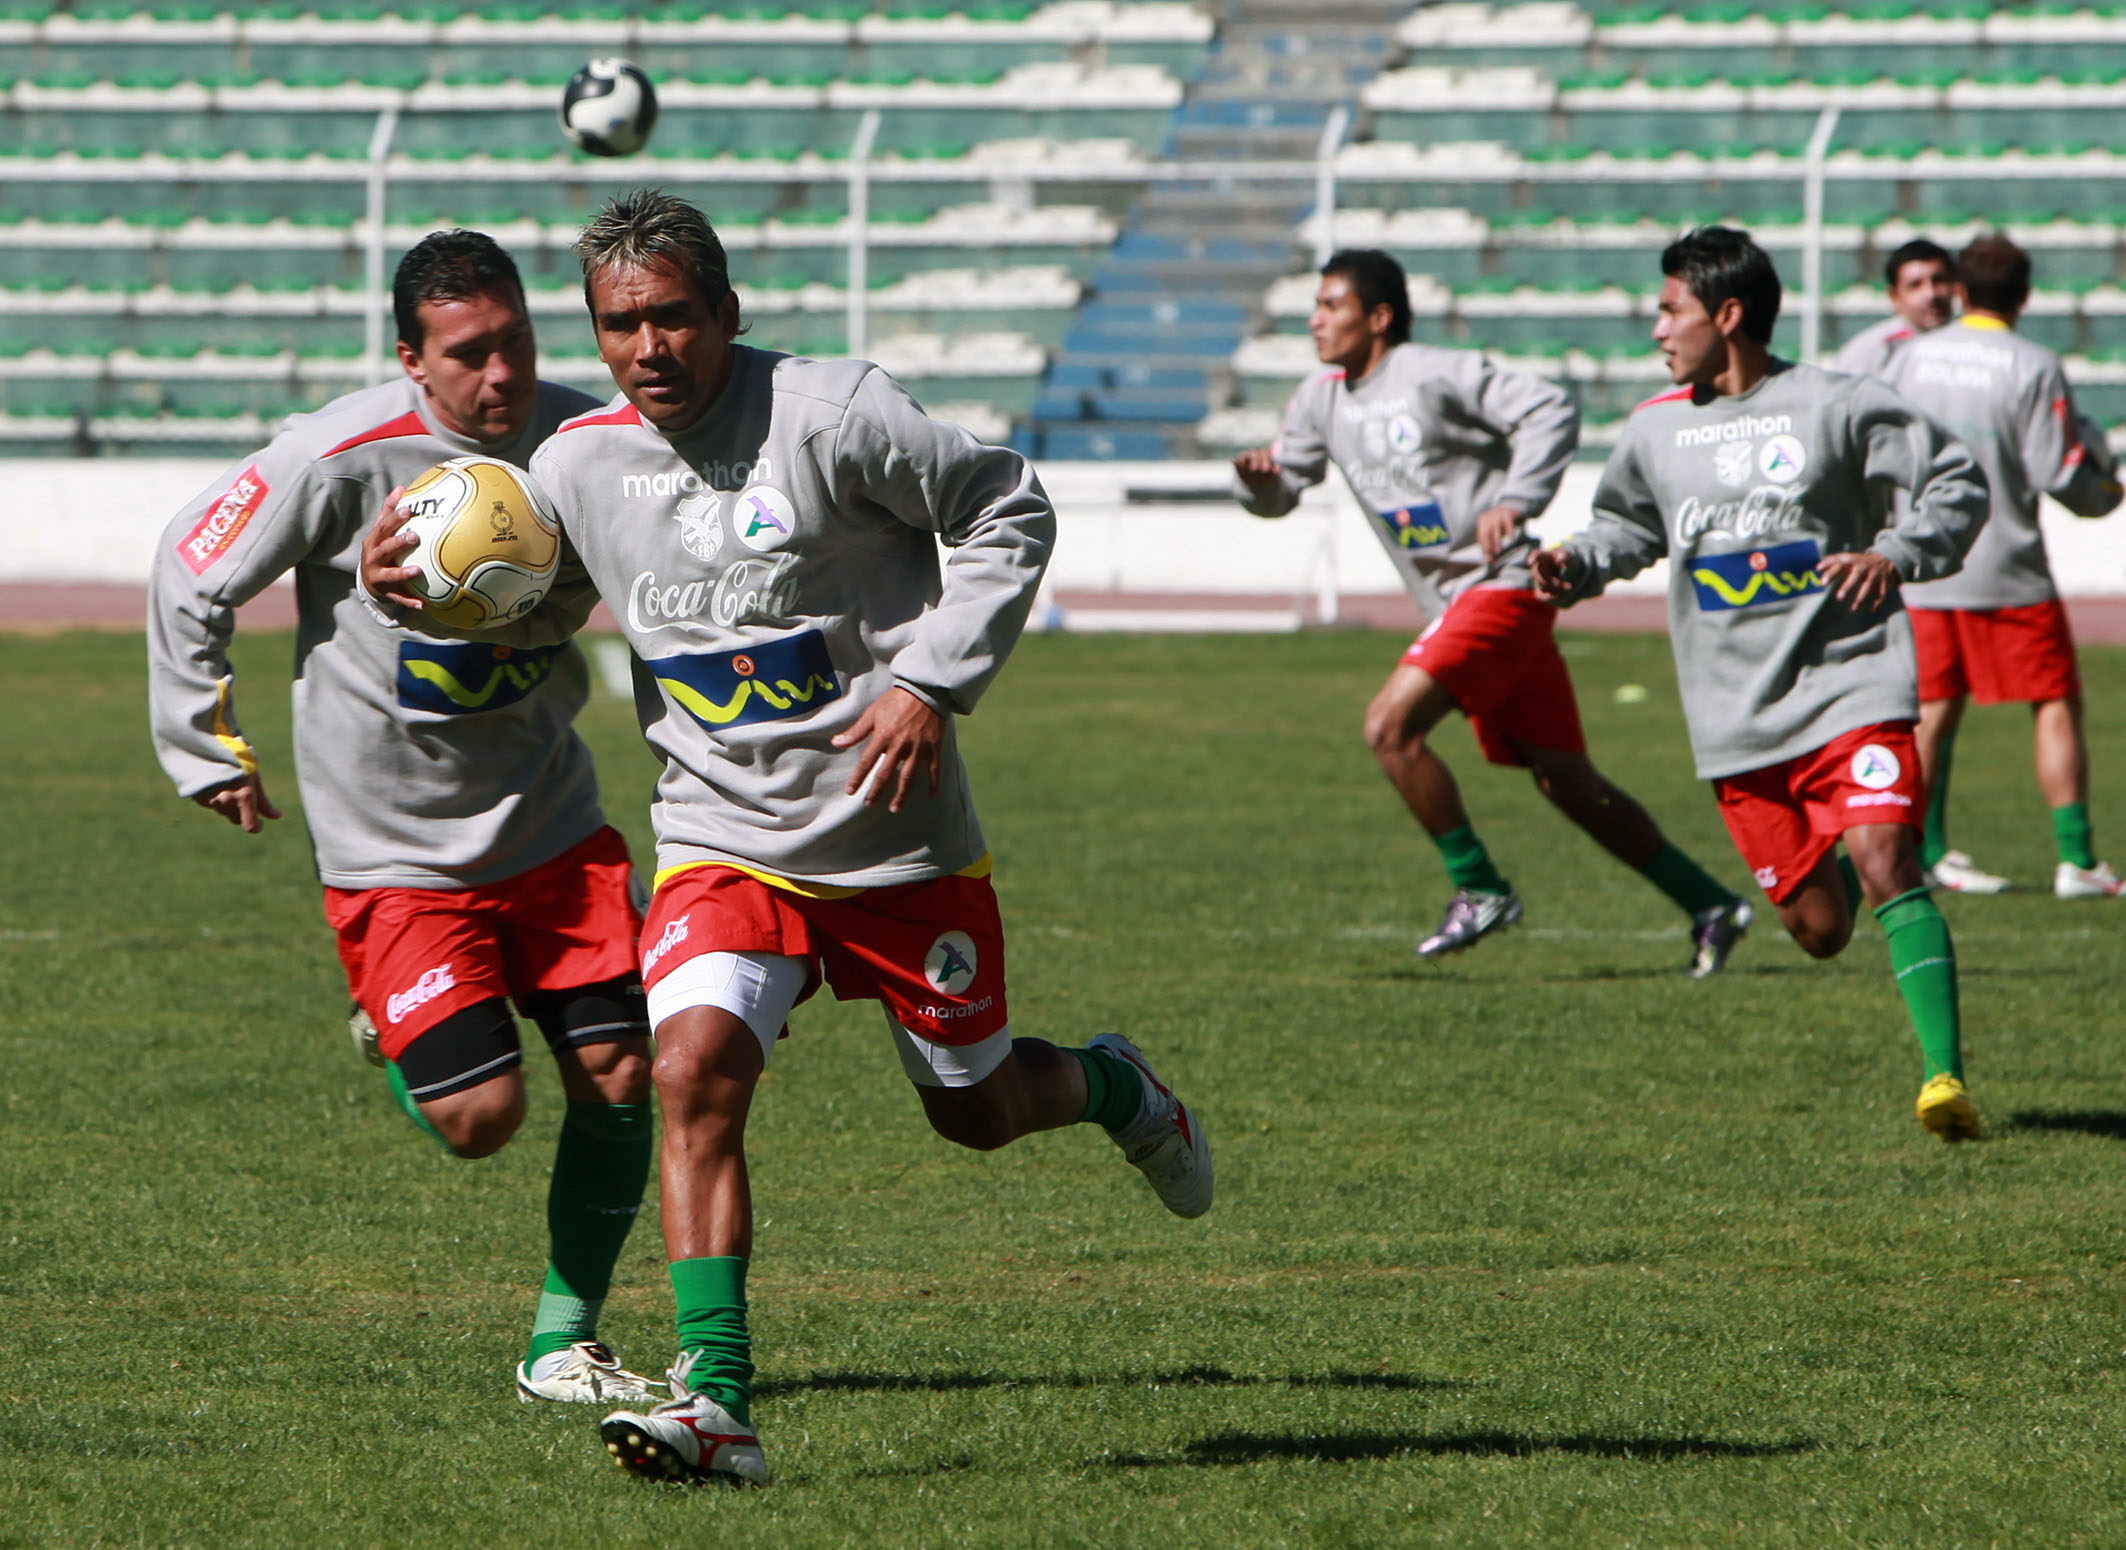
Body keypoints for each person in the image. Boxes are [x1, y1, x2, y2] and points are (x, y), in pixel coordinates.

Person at [361, 190, 1213, 1487]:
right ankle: (718, 1401)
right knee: (692, 1068)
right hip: (721, 842)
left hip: (891, 846)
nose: (648, 348)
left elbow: (1009, 509)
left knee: (976, 1110)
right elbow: (541, 608)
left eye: (671, 318)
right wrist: (428, 602)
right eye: (617, 325)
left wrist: (927, 681)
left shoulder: (835, 415)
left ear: (727, 312)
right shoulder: (579, 466)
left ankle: (1114, 1085)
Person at [147, 230, 664, 1408]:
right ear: (412, 360)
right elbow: (192, 564)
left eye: (517, 343)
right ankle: (395, 1021)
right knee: (482, 1119)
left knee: (622, 1073)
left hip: (549, 823)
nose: (501, 375)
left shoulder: (590, 440)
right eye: (471, 354)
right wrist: (203, 741)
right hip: (393, 852)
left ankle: (561, 1343)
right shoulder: (339, 456)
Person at [1531, 226, 1990, 1141]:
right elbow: (1626, 528)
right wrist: (1575, 563)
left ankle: (1945, 1081)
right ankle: (1847, 864)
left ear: (1727, 314)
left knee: (1886, 858)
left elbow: (1957, 483)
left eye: (1672, 309)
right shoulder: (1657, 428)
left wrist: (1895, 554)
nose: (1658, 328)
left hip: (1851, 683)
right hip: (1736, 718)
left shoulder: (1838, 403)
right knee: (1821, 928)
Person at [1232, 248, 1752, 973]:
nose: (1315, 320)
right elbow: (1283, 487)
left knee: (1389, 729)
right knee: (1566, 780)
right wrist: (1258, 484)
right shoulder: (1321, 398)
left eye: (1330, 306)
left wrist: (1515, 500)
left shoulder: (1435, 373)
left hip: (1503, 587)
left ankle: (1477, 886)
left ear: (1378, 317)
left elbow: (1549, 407)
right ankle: (1710, 903)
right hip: (1462, 604)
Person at [1879, 233, 2125, 898]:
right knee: (2052, 702)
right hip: (2007, 566)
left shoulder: (1907, 361)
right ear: (2024, 294)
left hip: (1925, 564)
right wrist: (2107, 492)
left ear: (1960, 289)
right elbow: (2057, 469)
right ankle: (2076, 859)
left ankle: (1919, 850)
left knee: (1930, 708)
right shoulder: (2032, 363)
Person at [1834, 237, 1958, 378]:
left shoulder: (1971, 348)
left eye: (1939, 280)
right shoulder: (1868, 353)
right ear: (1894, 296)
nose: (1931, 294)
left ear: (1955, 286)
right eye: (1915, 285)